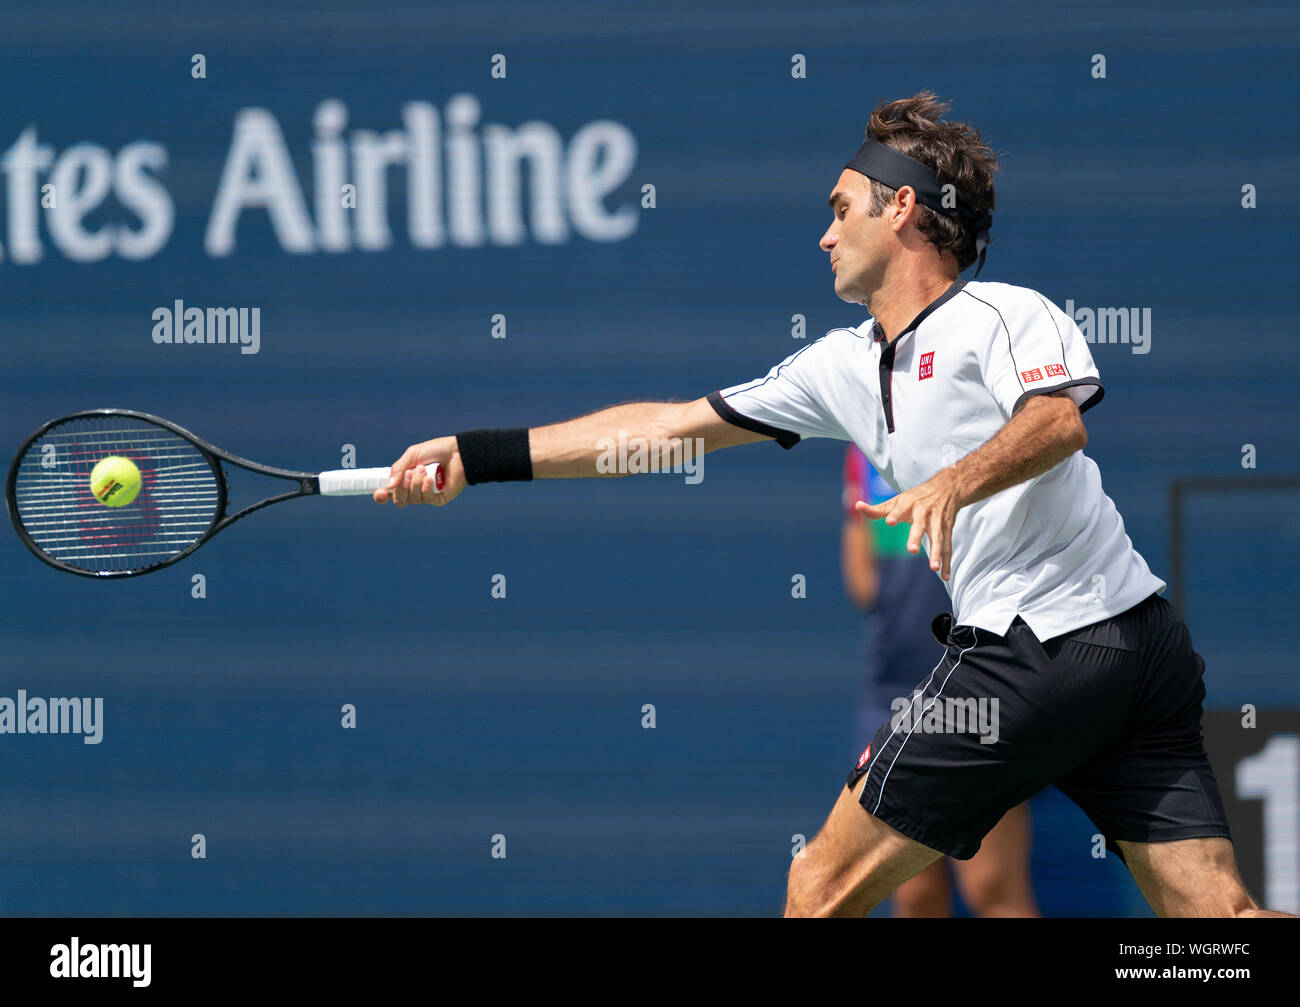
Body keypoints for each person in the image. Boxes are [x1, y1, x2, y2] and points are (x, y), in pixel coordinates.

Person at [371, 92, 1292, 918]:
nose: (823, 234)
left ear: (902, 208)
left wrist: (951, 481)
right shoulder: (839, 366)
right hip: (1128, 650)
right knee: (1221, 926)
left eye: (839, 208)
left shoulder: (1005, 314)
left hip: (1042, 650)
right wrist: (479, 454)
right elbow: (667, 429)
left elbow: (1056, 423)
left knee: (816, 890)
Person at [843, 443, 1037, 917]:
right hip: (894, 691)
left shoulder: (983, 429)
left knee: (991, 886)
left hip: (981, 680)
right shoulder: (861, 444)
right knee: (913, 893)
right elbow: (862, 575)